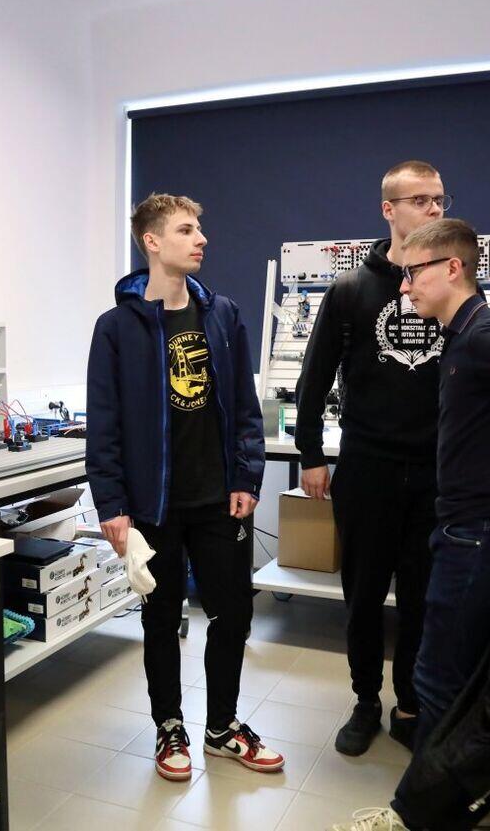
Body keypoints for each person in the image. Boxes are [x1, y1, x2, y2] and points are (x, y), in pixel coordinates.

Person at [331, 219, 490, 831]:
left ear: (452, 268)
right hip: (473, 530)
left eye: (413, 274)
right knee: (481, 675)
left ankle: (417, 818)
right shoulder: (465, 334)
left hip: (475, 536)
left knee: (438, 680)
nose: (404, 288)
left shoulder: (482, 334)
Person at [86, 192, 283, 782]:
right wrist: (112, 503)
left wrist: (247, 476)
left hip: (219, 499)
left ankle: (221, 728)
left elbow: (245, 407)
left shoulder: (222, 314)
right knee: (161, 617)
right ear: (152, 241)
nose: (201, 239)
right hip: (153, 504)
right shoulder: (116, 328)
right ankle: (169, 726)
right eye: (186, 230)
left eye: (199, 229)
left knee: (234, 614)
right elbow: (104, 423)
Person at [294, 160, 450, 754]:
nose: (433, 209)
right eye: (420, 200)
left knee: (422, 597)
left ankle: (410, 704)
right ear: (389, 209)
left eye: (440, 200)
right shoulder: (350, 291)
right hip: (367, 468)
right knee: (362, 596)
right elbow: (313, 380)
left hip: (435, 472)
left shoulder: (453, 284)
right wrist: (311, 454)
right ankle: (365, 702)